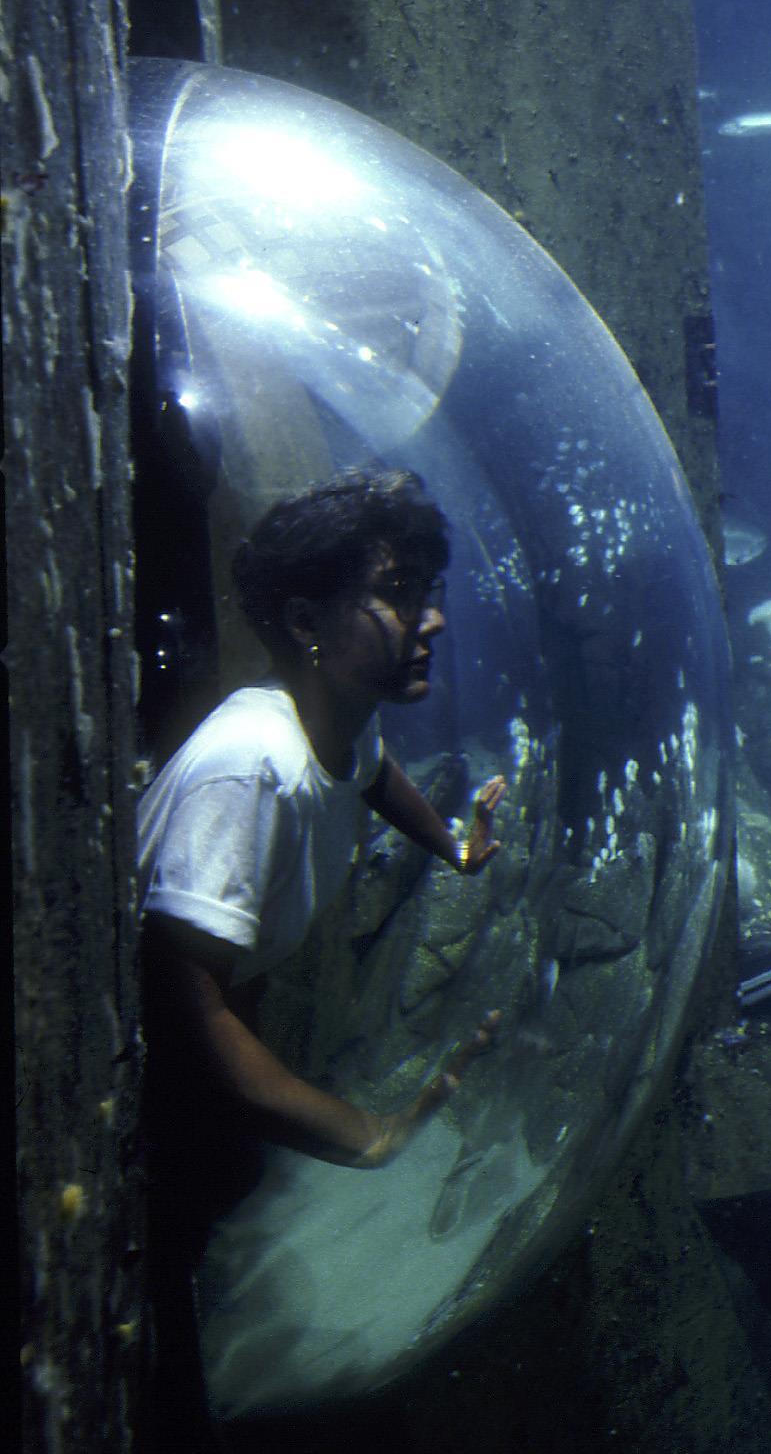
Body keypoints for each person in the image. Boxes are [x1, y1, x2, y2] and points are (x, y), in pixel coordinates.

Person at [138, 467, 503, 1436]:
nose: (427, 620)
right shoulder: (248, 771)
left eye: (428, 592)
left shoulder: (334, 723)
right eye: (395, 593)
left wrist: (456, 849)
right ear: (306, 619)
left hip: (211, 1012)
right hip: (137, 1064)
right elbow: (183, 1012)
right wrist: (365, 1132)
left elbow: (377, 779)